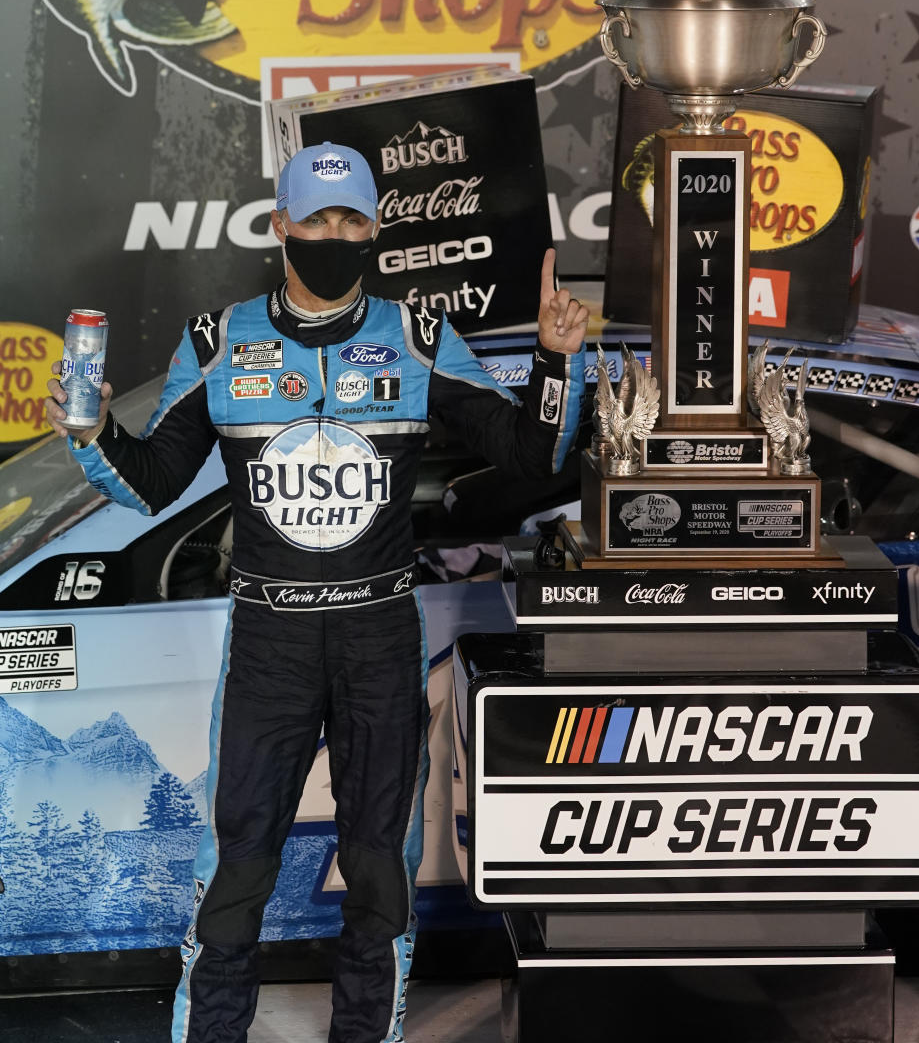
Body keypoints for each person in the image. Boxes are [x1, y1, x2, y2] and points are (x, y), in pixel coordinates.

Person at [46, 141, 588, 1043]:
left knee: (379, 865)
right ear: (281, 226)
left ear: (372, 228)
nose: (333, 235)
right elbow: (150, 481)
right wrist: (94, 428)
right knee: (240, 862)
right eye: (316, 219)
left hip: (381, 635)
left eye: (350, 220)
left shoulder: (417, 337)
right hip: (270, 640)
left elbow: (528, 453)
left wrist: (555, 361)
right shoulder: (221, 344)